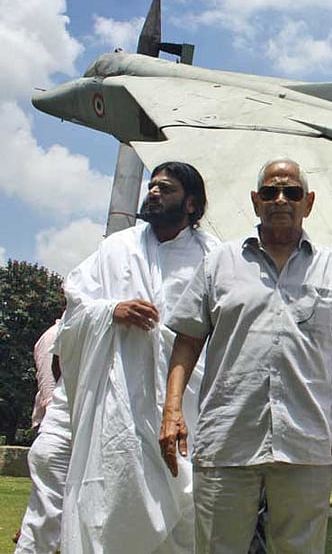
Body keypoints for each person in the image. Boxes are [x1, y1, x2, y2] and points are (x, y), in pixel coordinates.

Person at [160, 158, 332, 554]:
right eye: (270, 192)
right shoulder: (220, 262)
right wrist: (172, 409)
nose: (280, 200)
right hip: (228, 439)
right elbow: (187, 340)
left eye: (291, 192)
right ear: (256, 201)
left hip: (305, 441)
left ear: (308, 202)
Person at [57, 161, 218, 554]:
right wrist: (111, 311)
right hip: (121, 401)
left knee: (186, 506)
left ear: (192, 205)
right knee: (113, 496)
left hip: (190, 404)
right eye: (153, 185)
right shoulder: (117, 248)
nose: (154, 193)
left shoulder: (214, 256)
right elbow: (75, 307)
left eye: (167, 188)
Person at [14, 321, 66, 554]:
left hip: (68, 429)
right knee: (48, 513)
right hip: (57, 430)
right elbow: (50, 394)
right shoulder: (52, 337)